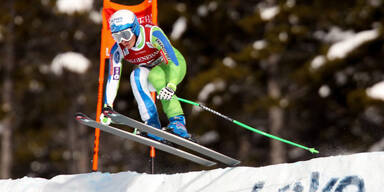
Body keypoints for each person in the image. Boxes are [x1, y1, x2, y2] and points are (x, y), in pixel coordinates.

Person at [99, 9, 191, 142]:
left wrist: (171, 85)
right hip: (153, 71)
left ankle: (178, 122)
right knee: (136, 76)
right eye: (117, 37)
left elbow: (172, 61)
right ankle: (152, 124)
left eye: (125, 34)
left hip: (174, 67)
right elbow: (113, 77)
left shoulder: (152, 34)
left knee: (155, 75)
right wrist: (108, 106)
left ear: (135, 28)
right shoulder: (118, 50)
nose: (123, 41)